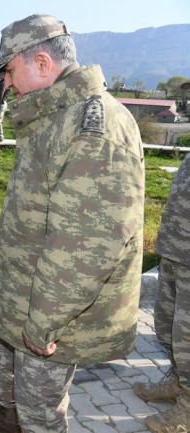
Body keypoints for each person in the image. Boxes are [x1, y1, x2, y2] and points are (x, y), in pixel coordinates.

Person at [0, 14, 145, 433]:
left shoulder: (93, 127)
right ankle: (7, 414)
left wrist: (45, 322)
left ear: (42, 63)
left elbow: (86, 247)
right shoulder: (56, 115)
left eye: (8, 72)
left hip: (47, 308)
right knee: (3, 366)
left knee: (40, 412)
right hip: (21, 290)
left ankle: (26, 420)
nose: (6, 85)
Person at [132, 152, 190, 432]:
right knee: (168, 330)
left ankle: (187, 411)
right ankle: (178, 383)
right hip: (176, 251)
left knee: (188, 338)